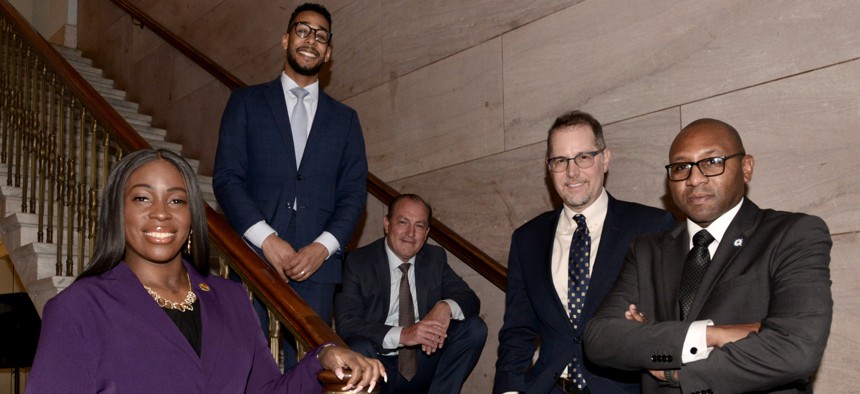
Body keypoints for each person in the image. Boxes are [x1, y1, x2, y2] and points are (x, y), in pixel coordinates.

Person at [26, 149, 385, 393]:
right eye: (142, 198)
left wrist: (321, 356)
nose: (162, 212)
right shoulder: (77, 309)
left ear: (192, 217)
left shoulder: (230, 298)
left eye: (177, 200)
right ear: (117, 214)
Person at [584, 119, 833, 393]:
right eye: (681, 167)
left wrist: (673, 369)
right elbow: (600, 339)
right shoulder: (647, 250)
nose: (694, 179)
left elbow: (796, 350)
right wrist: (711, 335)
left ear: (746, 168)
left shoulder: (792, 234)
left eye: (712, 161)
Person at [212, 2, 368, 363]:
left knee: (307, 372)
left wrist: (323, 247)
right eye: (302, 30)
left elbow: (353, 194)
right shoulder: (246, 102)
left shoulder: (346, 120)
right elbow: (227, 178)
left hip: (317, 271)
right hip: (252, 260)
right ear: (285, 39)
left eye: (320, 35)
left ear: (328, 52)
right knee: (244, 366)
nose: (310, 40)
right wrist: (267, 240)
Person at [494, 111, 677, 394]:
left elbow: (672, 322)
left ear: (605, 159)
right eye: (560, 160)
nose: (571, 171)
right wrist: (509, 389)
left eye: (583, 157)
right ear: (549, 167)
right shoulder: (526, 239)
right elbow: (518, 329)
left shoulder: (653, 227)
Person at [335, 194, 487, 393]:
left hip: (424, 360)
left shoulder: (434, 258)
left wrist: (445, 307)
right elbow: (347, 324)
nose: (410, 233)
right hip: (380, 363)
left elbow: (469, 298)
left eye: (419, 226)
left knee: (474, 328)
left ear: (427, 233)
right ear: (387, 224)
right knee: (358, 346)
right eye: (403, 222)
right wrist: (404, 335)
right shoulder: (357, 262)